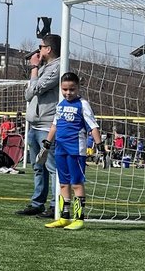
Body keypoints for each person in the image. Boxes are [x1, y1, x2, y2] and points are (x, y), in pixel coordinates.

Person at [41, 72, 104, 230]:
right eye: (65, 89)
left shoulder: (82, 104)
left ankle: (79, 218)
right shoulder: (60, 104)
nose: (68, 92)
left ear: (78, 88)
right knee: (63, 184)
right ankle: (64, 216)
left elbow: (93, 126)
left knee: (76, 183)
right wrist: (48, 143)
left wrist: (100, 146)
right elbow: (55, 125)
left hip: (76, 150)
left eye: (72, 89)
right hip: (60, 149)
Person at [16, 33, 61, 218]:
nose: (38, 50)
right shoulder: (45, 68)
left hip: (47, 127)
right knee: (37, 167)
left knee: (51, 167)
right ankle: (37, 203)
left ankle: (54, 205)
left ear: (48, 49)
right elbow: (29, 94)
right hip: (35, 126)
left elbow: (33, 90)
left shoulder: (57, 68)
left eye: (41, 47)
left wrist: (34, 67)